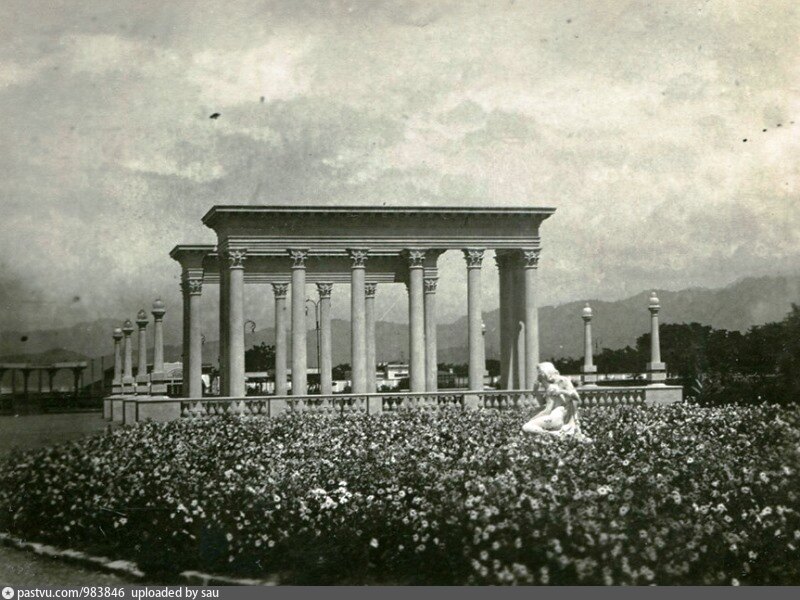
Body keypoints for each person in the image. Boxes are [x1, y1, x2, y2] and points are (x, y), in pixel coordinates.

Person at [522, 362, 590, 441]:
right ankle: (555, 435)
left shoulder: (561, 381)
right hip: (554, 416)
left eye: (540, 372)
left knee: (527, 427)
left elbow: (577, 398)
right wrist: (535, 391)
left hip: (557, 416)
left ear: (546, 371)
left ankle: (555, 435)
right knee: (528, 427)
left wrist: (561, 392)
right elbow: (543, 404)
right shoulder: (548, 385)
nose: (539, 375)